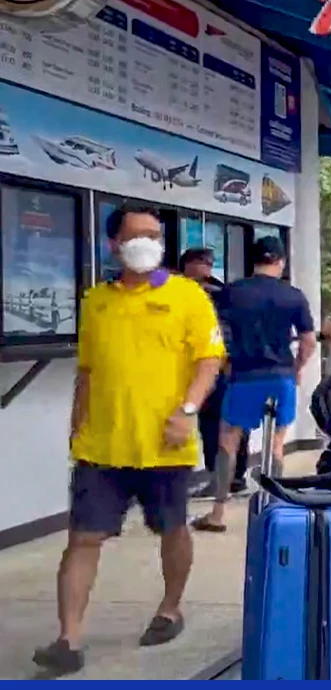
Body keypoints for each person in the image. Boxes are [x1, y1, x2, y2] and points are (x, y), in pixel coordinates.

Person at [36, 205, 224, 675]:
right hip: (101, 446)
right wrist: (76, 424)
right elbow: (88, 371)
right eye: (138, 234)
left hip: (165, 444)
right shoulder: (97, 302)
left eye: (155, 235)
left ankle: (170, 608)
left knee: (171, 529)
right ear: (114, 245)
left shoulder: (187, 296)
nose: (149, 242)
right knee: (83, 538)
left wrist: (188, 411)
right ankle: (68, 639)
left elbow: (209, 361)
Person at [191, 236, 317, 533]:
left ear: (253, 261)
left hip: (243, 375)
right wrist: (297, 368)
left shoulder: (232, 292)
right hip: (281, 375)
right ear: (281, 262)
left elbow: (215, 332)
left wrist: (224, 363)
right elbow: (309, 341)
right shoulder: (293, 295)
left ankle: (218, 513)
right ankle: (274, 510)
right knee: (276, 445)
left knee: (227, 441)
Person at [180, 247, 250, 501]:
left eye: (208, 262)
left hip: (220, 365)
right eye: (202, 262)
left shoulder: (217, 292)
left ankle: (226, 478)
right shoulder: (185, 291)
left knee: (217, 423)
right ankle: (230, 478)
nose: (206, 266)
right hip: (213, 364)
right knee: (219, 423)